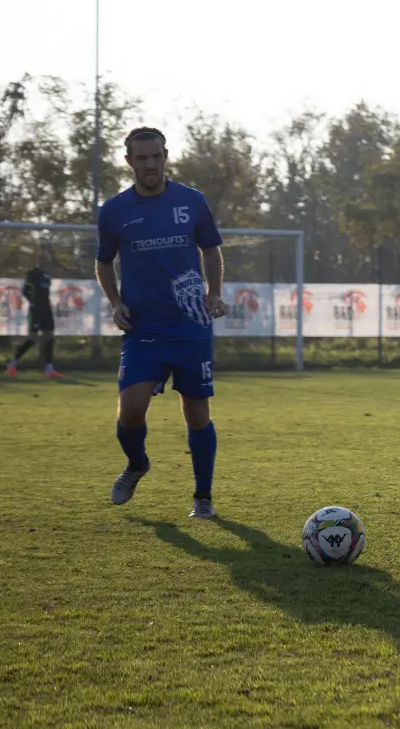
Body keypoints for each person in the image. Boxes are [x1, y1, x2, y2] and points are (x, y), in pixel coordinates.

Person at [94, 127, 227, 519]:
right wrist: (116, 303)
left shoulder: (192, 201)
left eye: (156, 156)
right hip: (143, 328)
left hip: (190, 325)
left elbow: (211, 250)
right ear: (129, 161)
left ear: (165, 156)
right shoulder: (114, 211)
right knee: (130, 410)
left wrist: (214, 292)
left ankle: (202, 497)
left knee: (196, 413)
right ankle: (137, 464)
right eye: (141, 158)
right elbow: (103, 262)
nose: (150, 164)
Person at [7, 250, 64, 379]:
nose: (45, 261)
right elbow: (25, 290)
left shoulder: (47, 276)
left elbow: (46, 293)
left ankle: (49, 369)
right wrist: (33, 303)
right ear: (38, 260)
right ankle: (13, 363)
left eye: (47, 259)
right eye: (42, 259)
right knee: (33, 338)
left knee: (49, 336)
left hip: (46, 310)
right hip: (36, 310)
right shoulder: (33, 274)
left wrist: (47, 304)